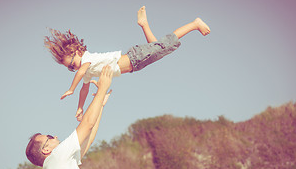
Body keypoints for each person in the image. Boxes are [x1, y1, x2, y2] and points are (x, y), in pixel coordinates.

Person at [44, 6, 210, 121]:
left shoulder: (87, 58)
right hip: (136, 66)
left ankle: (194, 24)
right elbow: (85, 89)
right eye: (70, 69)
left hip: (135, 57)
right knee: (160, 47)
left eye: (72, 64)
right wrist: (79, 108)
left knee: (165, 45)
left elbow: (80, 76)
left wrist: (70, 89)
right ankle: (144, 25)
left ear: (77, 53)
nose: (75, 69)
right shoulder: (86, 70)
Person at [25, 66, 113, 169]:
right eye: (50, 137)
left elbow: (88, 138)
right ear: (46, 149)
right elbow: (87, 124)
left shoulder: (60, 163)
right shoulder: (57, 157)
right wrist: (102, 89)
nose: (56, 136)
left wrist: (101, 104)